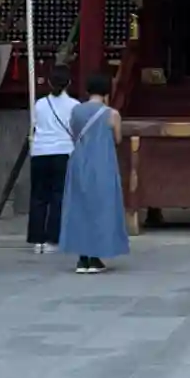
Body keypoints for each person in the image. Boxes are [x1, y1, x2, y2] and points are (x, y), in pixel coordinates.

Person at [60, 72, 128, 275]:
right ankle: (96, 256)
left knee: (80, 207)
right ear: (107, 91)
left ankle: (82, 257)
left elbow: (74, 134)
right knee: (102, 208)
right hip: (102, 163)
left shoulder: (76, 111)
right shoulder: (112, 114)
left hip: (79, 161)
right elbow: (117, 139)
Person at [27, 65, 79, 255]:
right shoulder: (74, 105)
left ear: (49, 82)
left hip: (40, 151)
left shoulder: (39, 104)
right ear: (69, 83)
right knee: (58, 196)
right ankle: (52, 238)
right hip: (63, 151)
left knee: (38, 197)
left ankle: (37, 240)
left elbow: (34, 125)